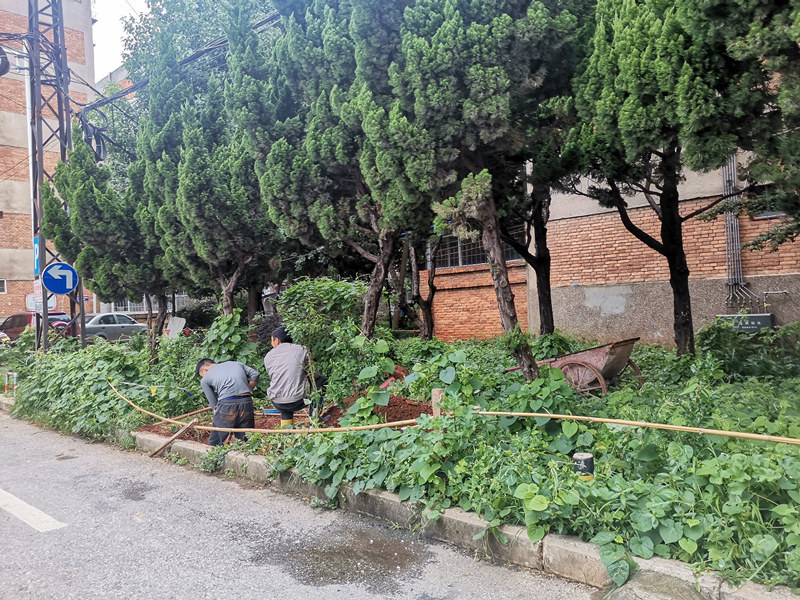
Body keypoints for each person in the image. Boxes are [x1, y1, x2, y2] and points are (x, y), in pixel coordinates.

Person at [195, 358, 259, 446]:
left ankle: (213, 457)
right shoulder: (236, 364)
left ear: (204, 369)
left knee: (216, 438)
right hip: (246, 401)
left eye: (202, 375)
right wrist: (248, 389)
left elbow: (214, 405)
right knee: (245, 437)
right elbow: (255, 374)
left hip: (227, 404)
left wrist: (218, 415)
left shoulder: (205, 379)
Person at [263, 326, 311, 428]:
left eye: (272, 341)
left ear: (277, 340)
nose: (272, 344)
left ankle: (286, 431)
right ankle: (314, 418)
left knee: (284, 400)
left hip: (277, 401)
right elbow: (313, 374)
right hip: (299, 400)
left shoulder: (268, 356)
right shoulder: (302, 350)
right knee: (320, 382)